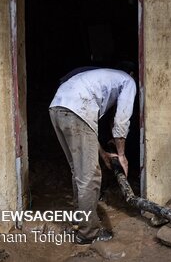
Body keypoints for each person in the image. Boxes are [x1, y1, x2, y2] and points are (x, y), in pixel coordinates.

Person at [49, 67, 137, 244]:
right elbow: (121, 120)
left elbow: (87, 128)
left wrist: (103, 153)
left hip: (57, 107)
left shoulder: (100, 77)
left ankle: (80, 218)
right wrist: (121, 155)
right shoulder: (129, 81)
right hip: (77, 109)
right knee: (90, 177)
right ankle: (89, 233)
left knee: (78, 171)